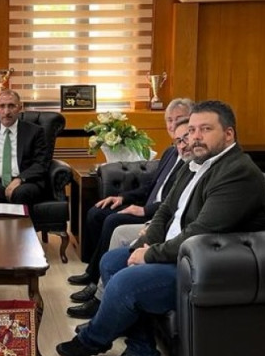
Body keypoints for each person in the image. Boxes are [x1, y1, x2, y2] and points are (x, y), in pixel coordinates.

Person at [56, 100, 265, 356]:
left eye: (205, 129)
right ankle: (141, 350)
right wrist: (144, 243)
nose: (195, 137)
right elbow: (165, 210)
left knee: (126, 282)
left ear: (229, 134)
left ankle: (91, 340)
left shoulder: (237, 172)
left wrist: (149, 254)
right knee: (112, 261)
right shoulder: (196, 163)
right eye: (192, 130)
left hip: (212, 267)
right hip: (183, 254)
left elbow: (201, 232)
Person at [67, 99, 192, 315]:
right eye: (169, 120)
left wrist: (144, 211)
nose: (173, 125)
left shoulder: (192, 159)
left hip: (156, 214)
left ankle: (97, 283)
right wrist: (122, 197)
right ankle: (92, 271)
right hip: (147, 205)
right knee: (97, 212)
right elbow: (150, 186)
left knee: (113, 221)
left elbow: (177, 202)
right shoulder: (171, 152)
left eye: (179, 120)